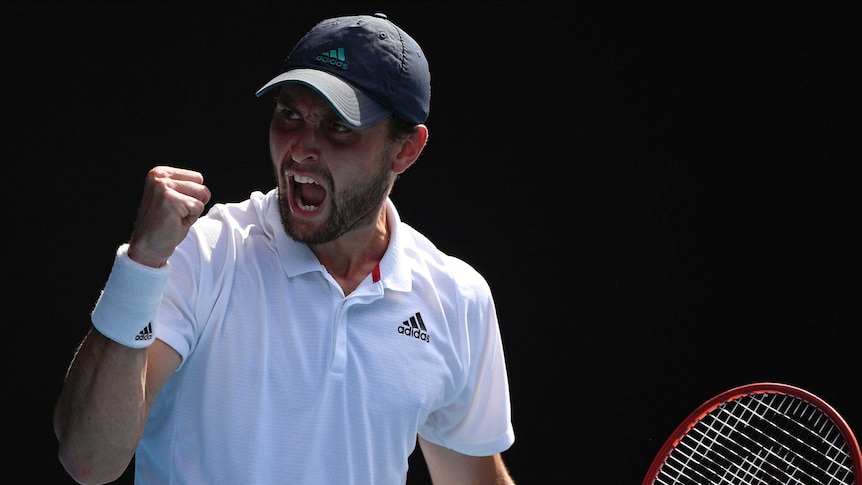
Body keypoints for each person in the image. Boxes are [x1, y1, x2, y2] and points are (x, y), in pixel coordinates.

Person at [53, 12, 516, 485]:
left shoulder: (458, 298)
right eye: (290, 114)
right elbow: (90, 460)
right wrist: (142, 263)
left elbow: (473, 477)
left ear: (406, 150)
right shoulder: (205, 252)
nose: (300, 149)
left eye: (338, 126)